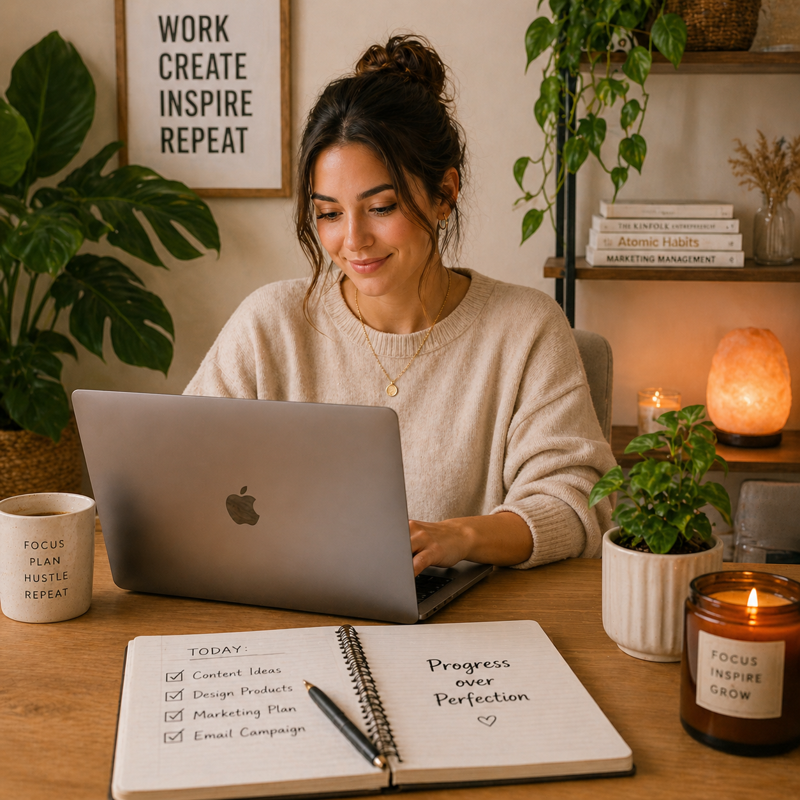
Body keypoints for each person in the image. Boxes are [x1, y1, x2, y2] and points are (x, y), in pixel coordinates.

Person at [185, 35, 616, 575]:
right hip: (289, 614)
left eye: (381, 207)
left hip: (466, 637)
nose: (354, 240)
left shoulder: (525, 329)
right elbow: (183, 473)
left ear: (445, 194)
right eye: (329, 214)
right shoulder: (269, 324)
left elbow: (578, 502)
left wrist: (461, 536)